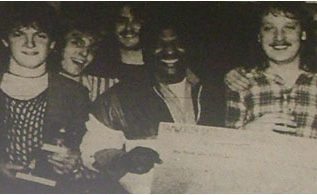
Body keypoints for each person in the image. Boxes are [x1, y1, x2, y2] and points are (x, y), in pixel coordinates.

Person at [80, 18, 225, 193]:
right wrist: (125, 160)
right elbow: (92, 151)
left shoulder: (217, 94)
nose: (170, 51)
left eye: (177, 43)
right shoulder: (120, 96)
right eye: (159, 44)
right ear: (146, 49)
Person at [0, 2, 89, 193]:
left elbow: (87, 152)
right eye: (19, 34)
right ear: (5, 41)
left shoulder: (74, 93)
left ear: (52, 44)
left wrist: (74, 161)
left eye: (40, 36)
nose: (30, 43)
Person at [224, 2, 317, 146]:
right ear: (259, 36)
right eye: (269, 28)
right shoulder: (240, 81)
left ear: (303, 34)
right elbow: (228, 147)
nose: (279, 37)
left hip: (310, 167)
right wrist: (246, 133)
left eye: (289, 28)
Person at [56, 18, 119, 101]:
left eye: (92, 48)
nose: (85, 53)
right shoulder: (39, 83)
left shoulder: (106, 88)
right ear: (59, 45)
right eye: (77, 43)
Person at [88, 2, 151, 84]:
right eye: (121, 21)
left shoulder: (160, 62)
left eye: (136, 21)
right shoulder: (97, 65)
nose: (128, 27)